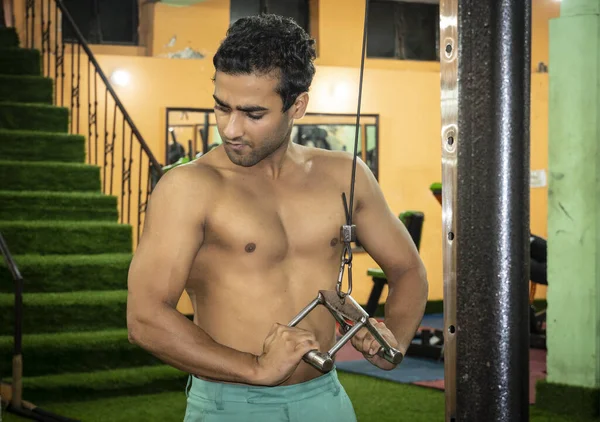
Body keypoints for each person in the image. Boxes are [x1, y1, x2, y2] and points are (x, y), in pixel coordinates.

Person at [126, 14, 428, 422]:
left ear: (297, 105)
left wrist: (395, 342)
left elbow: (407, 268)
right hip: (232, 403)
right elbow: (145, 318)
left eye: (253, 114)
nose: (230, 129)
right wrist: (255, 368)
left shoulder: (345, 174)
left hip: (326, 398)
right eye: (221, 107)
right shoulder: (189, 188)